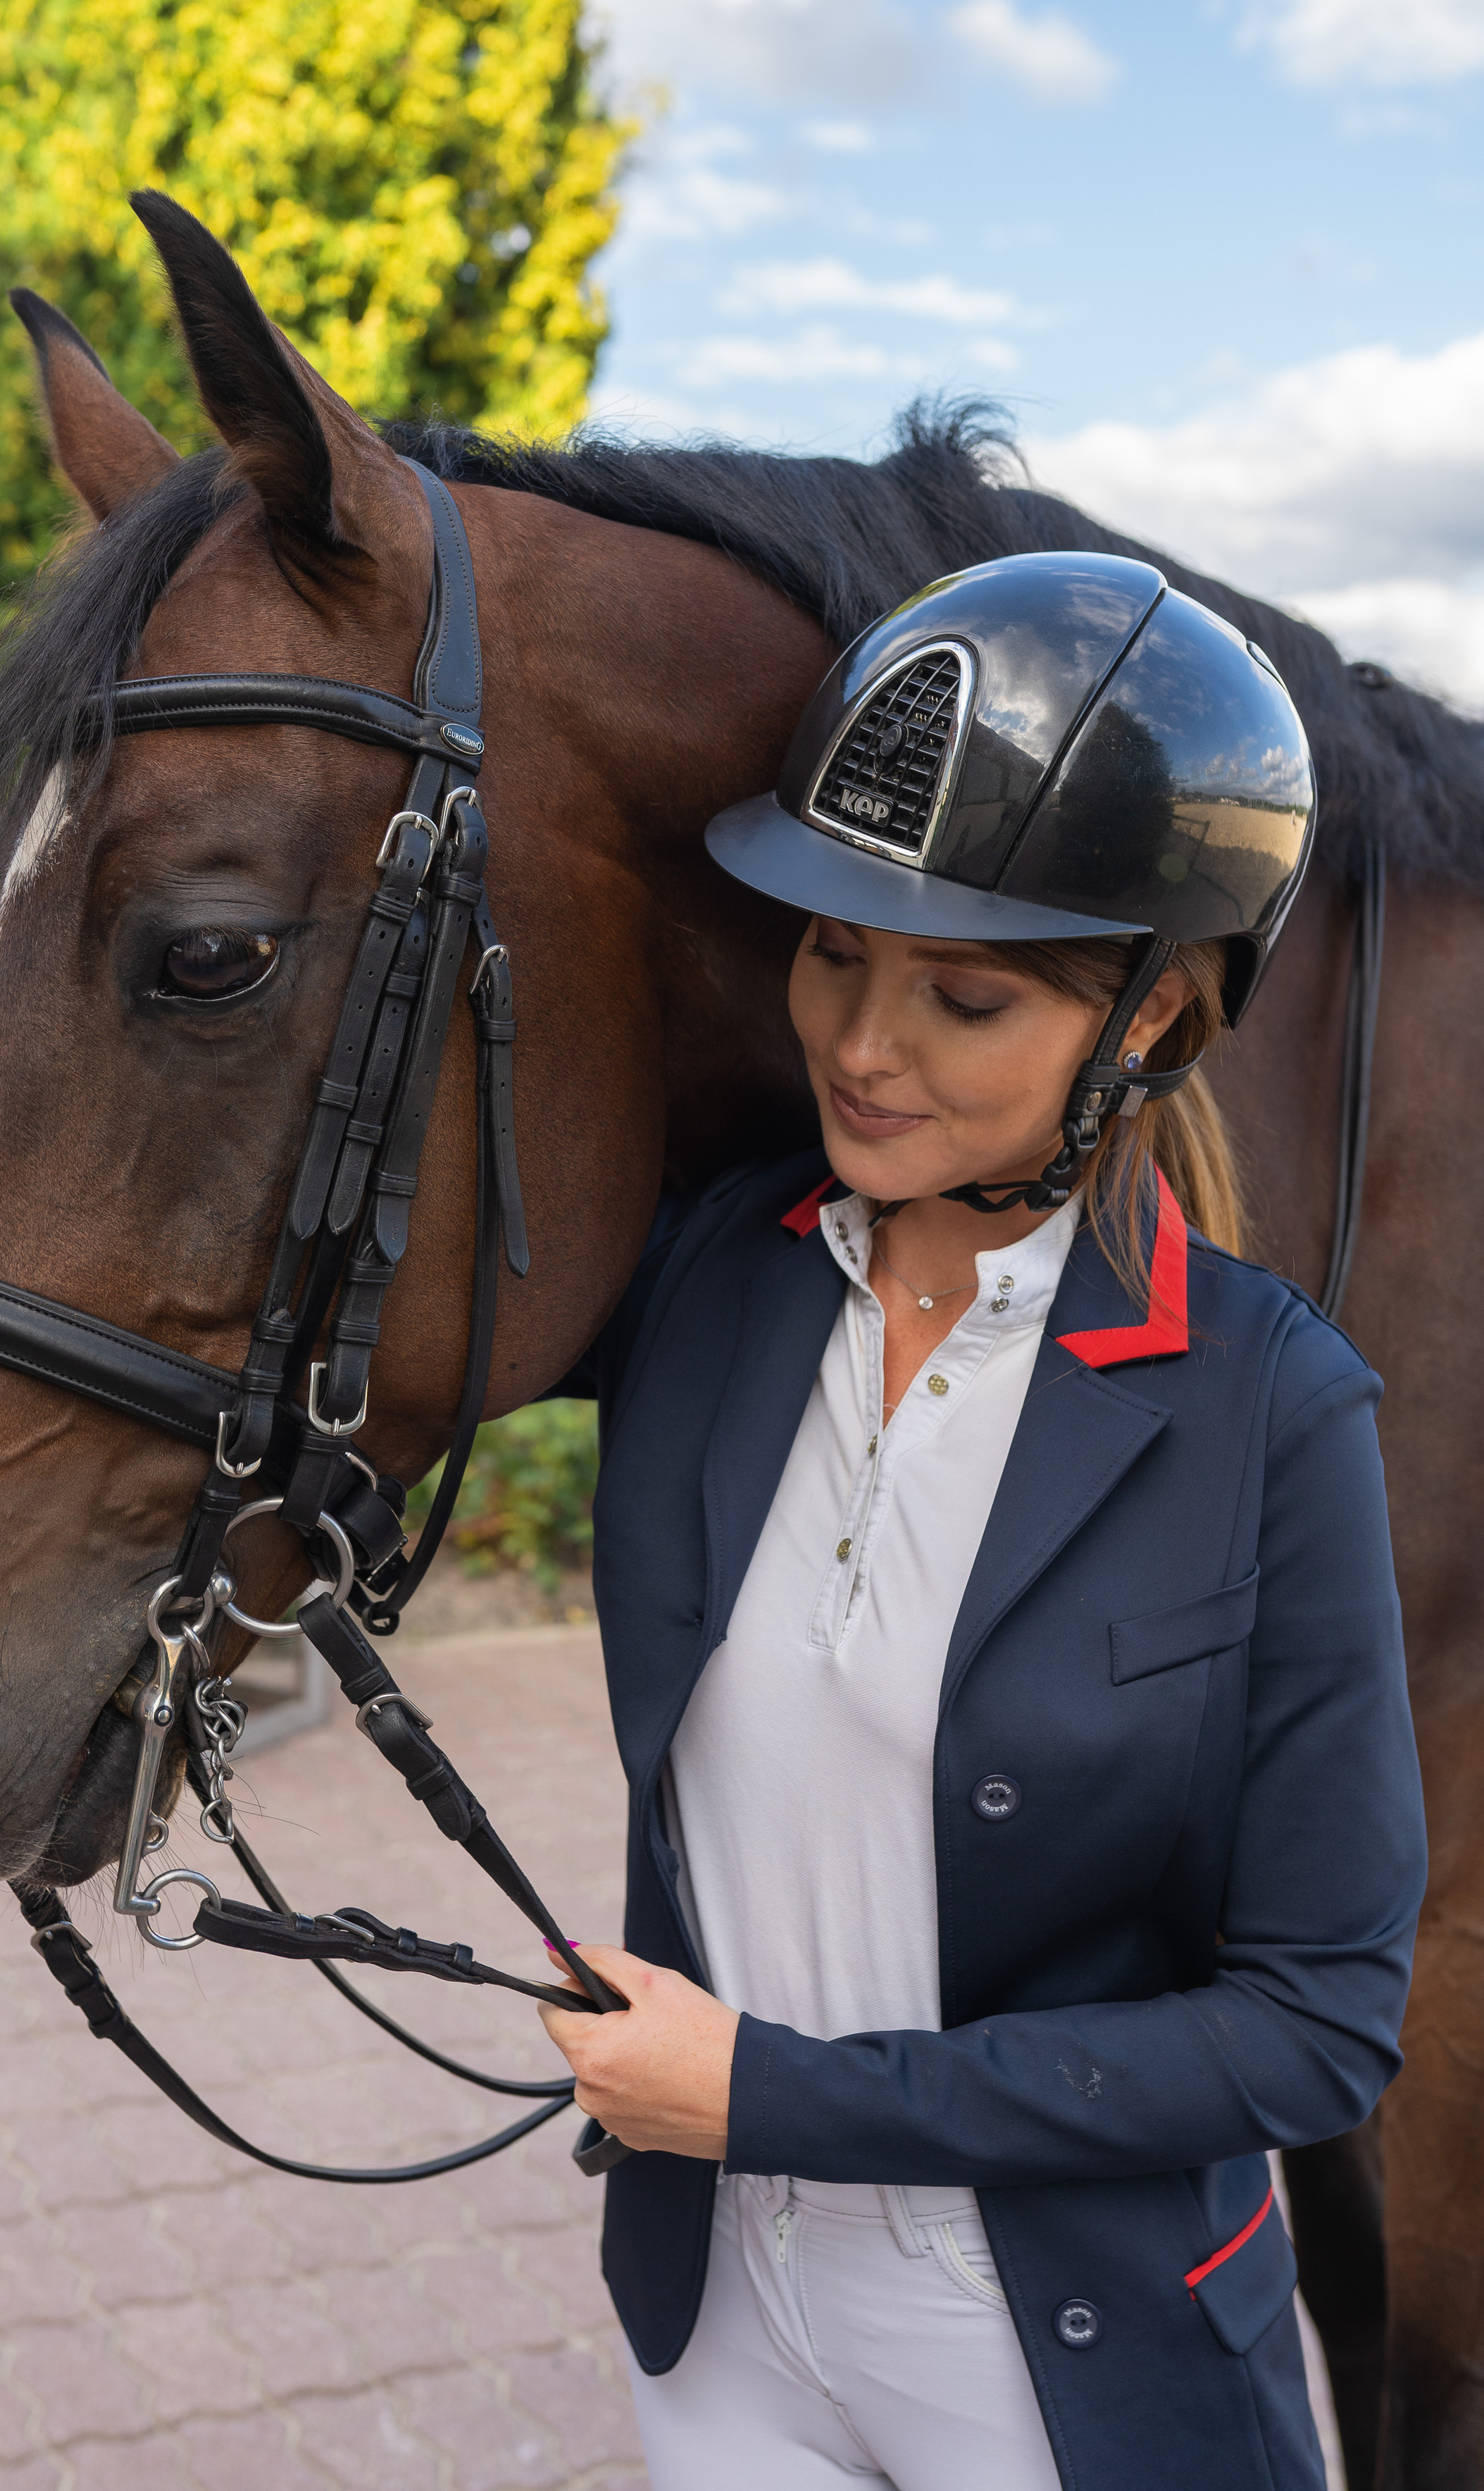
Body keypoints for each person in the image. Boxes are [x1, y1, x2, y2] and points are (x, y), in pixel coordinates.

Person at [536, 552, 1425, 2491]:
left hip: (1060, 2353)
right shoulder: (712, 1278)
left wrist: (774, 2094)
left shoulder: (1273, 1410)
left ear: (1165, 1019)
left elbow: (1318, 2030)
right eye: (833, 952)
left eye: (961, 993)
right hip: (723, 2319)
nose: (859, 1043)